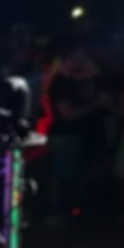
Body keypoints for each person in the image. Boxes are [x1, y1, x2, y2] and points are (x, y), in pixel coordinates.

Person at [44, 50, 105, 225]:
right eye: (78, 58)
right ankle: (56, 212)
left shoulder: (68, 82)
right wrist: (96, 105)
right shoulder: (61, 84)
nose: (81, 61)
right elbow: (67, 115)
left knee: (67, 175)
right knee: (62, 176)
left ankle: (63, 211)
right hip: (65, 136)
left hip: (70, 136)